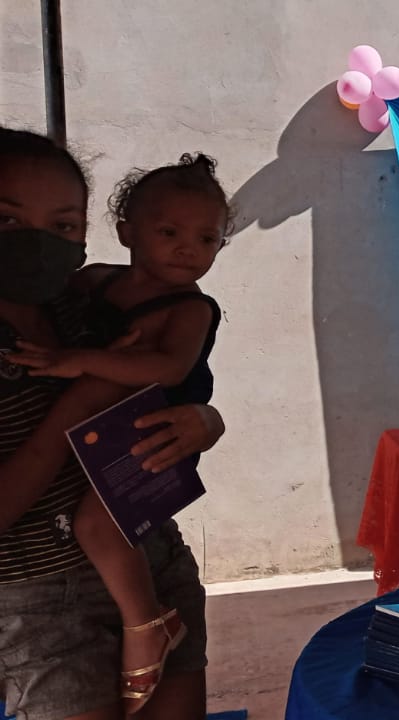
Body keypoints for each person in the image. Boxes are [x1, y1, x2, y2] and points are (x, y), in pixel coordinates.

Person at [0, 126, 224, 720]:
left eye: (63, 225)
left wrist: (206, 419)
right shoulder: (95, 293)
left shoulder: (78, 304)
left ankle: (146, 619)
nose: (39, 244)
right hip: (40, 597)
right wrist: (86, 393)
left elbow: (166, 373)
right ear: (128, 231)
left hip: (150, 549)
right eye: (8, 220)